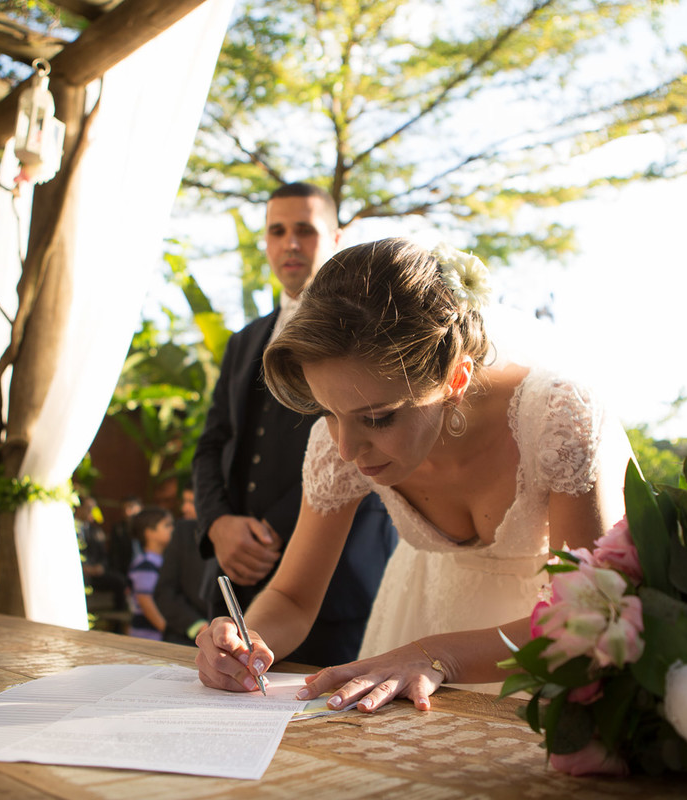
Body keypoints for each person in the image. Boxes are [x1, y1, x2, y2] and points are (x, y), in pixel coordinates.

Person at [195, 237, 634, 713]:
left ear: (455, 379)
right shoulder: (337, 445)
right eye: (328, 413)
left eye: (377, 418)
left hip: (542, 659)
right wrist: (246, 641)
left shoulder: (559, 419)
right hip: (417, 623)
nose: (346, 449)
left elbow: (588, 614)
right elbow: (292, 598)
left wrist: (438, 655)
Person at [192, 181, 398, 667]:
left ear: (336, 238)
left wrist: (268, 533)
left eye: (305, 230)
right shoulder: (244, 340)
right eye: (277, 231)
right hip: (237, 582)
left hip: (339, 588)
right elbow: (213, 443)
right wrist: (219, 524)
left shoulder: (365, 332)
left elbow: (368, 440)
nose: (290, 243)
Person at [155, 488, 211, 645]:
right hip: (185, 639)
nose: (184, 508)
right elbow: (165, 591)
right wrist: (199, 627)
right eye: (184, 501)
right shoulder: (183, 532)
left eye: (192, 502)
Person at [127, 507, 174, 640]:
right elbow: (145, 602)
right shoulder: (145, 564)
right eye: (166, 525)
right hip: (148, 636)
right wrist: (168, 631)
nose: (172, 529)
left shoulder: (160, 561)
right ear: (149, 533)